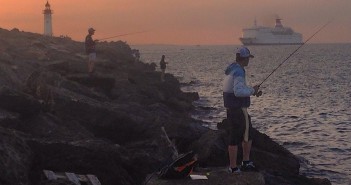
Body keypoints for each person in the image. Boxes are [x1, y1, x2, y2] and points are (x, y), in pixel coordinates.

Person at [222, 46, 262, 173]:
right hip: (238, 110)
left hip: (231, 109)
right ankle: (240, 165)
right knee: (246, 135)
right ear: (244, 59)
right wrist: (251, 90)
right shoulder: (239, 71)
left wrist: (252, 92)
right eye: (248, 58)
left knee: (238, 136)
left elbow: (236, 88)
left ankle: (238, 165)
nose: (249, 61)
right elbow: (238, 91)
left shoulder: (232, 68)